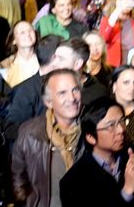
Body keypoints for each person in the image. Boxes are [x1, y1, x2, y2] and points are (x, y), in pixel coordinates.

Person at [59, 99, 134, 206]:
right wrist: (127, 191)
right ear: (90, 137)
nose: (121, 130)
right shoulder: (73, 182)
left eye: (122, 121)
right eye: (111, 126)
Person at [11, 69, 84, 207]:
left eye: (75, 90)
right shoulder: (30, 134)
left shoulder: (91, 129)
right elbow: (18, 180)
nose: (72, 98)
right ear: (49, 102)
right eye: (62, 93)